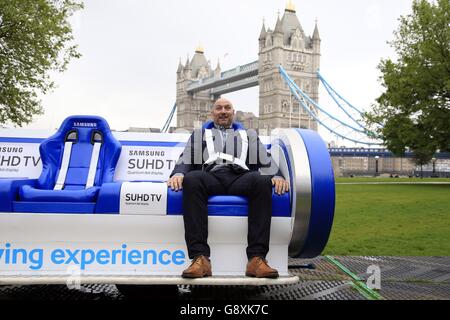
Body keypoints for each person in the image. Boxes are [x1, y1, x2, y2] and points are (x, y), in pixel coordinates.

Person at [167, 98, 289, 279]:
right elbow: (187, 156)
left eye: (227, 108)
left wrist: (277, 176)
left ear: (233, 112)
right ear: (212, 113)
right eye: (219, 108)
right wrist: (178, 173)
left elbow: (264, 158)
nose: (223, 111)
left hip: (240, 176)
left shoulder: (248, 134)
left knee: (262, 181)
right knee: (192, 179)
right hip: (211, 176)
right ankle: (200, 259)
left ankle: (256, 259)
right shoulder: (200, 134)